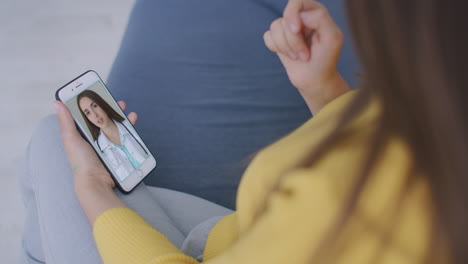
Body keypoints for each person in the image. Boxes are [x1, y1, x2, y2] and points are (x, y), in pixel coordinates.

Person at [20, 0, 467, 263]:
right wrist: (326, 91)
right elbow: (371, 144)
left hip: (226, 243)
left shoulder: (342, 208)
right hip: (233, 234)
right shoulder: (438, 125)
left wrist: (93, 188)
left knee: (53, 147)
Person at [77, 90, 149, 181]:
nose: (95, 115)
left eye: (94, 106)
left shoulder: (128, 125)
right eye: (88, 113)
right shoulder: (97, 150)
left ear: (102, 104)